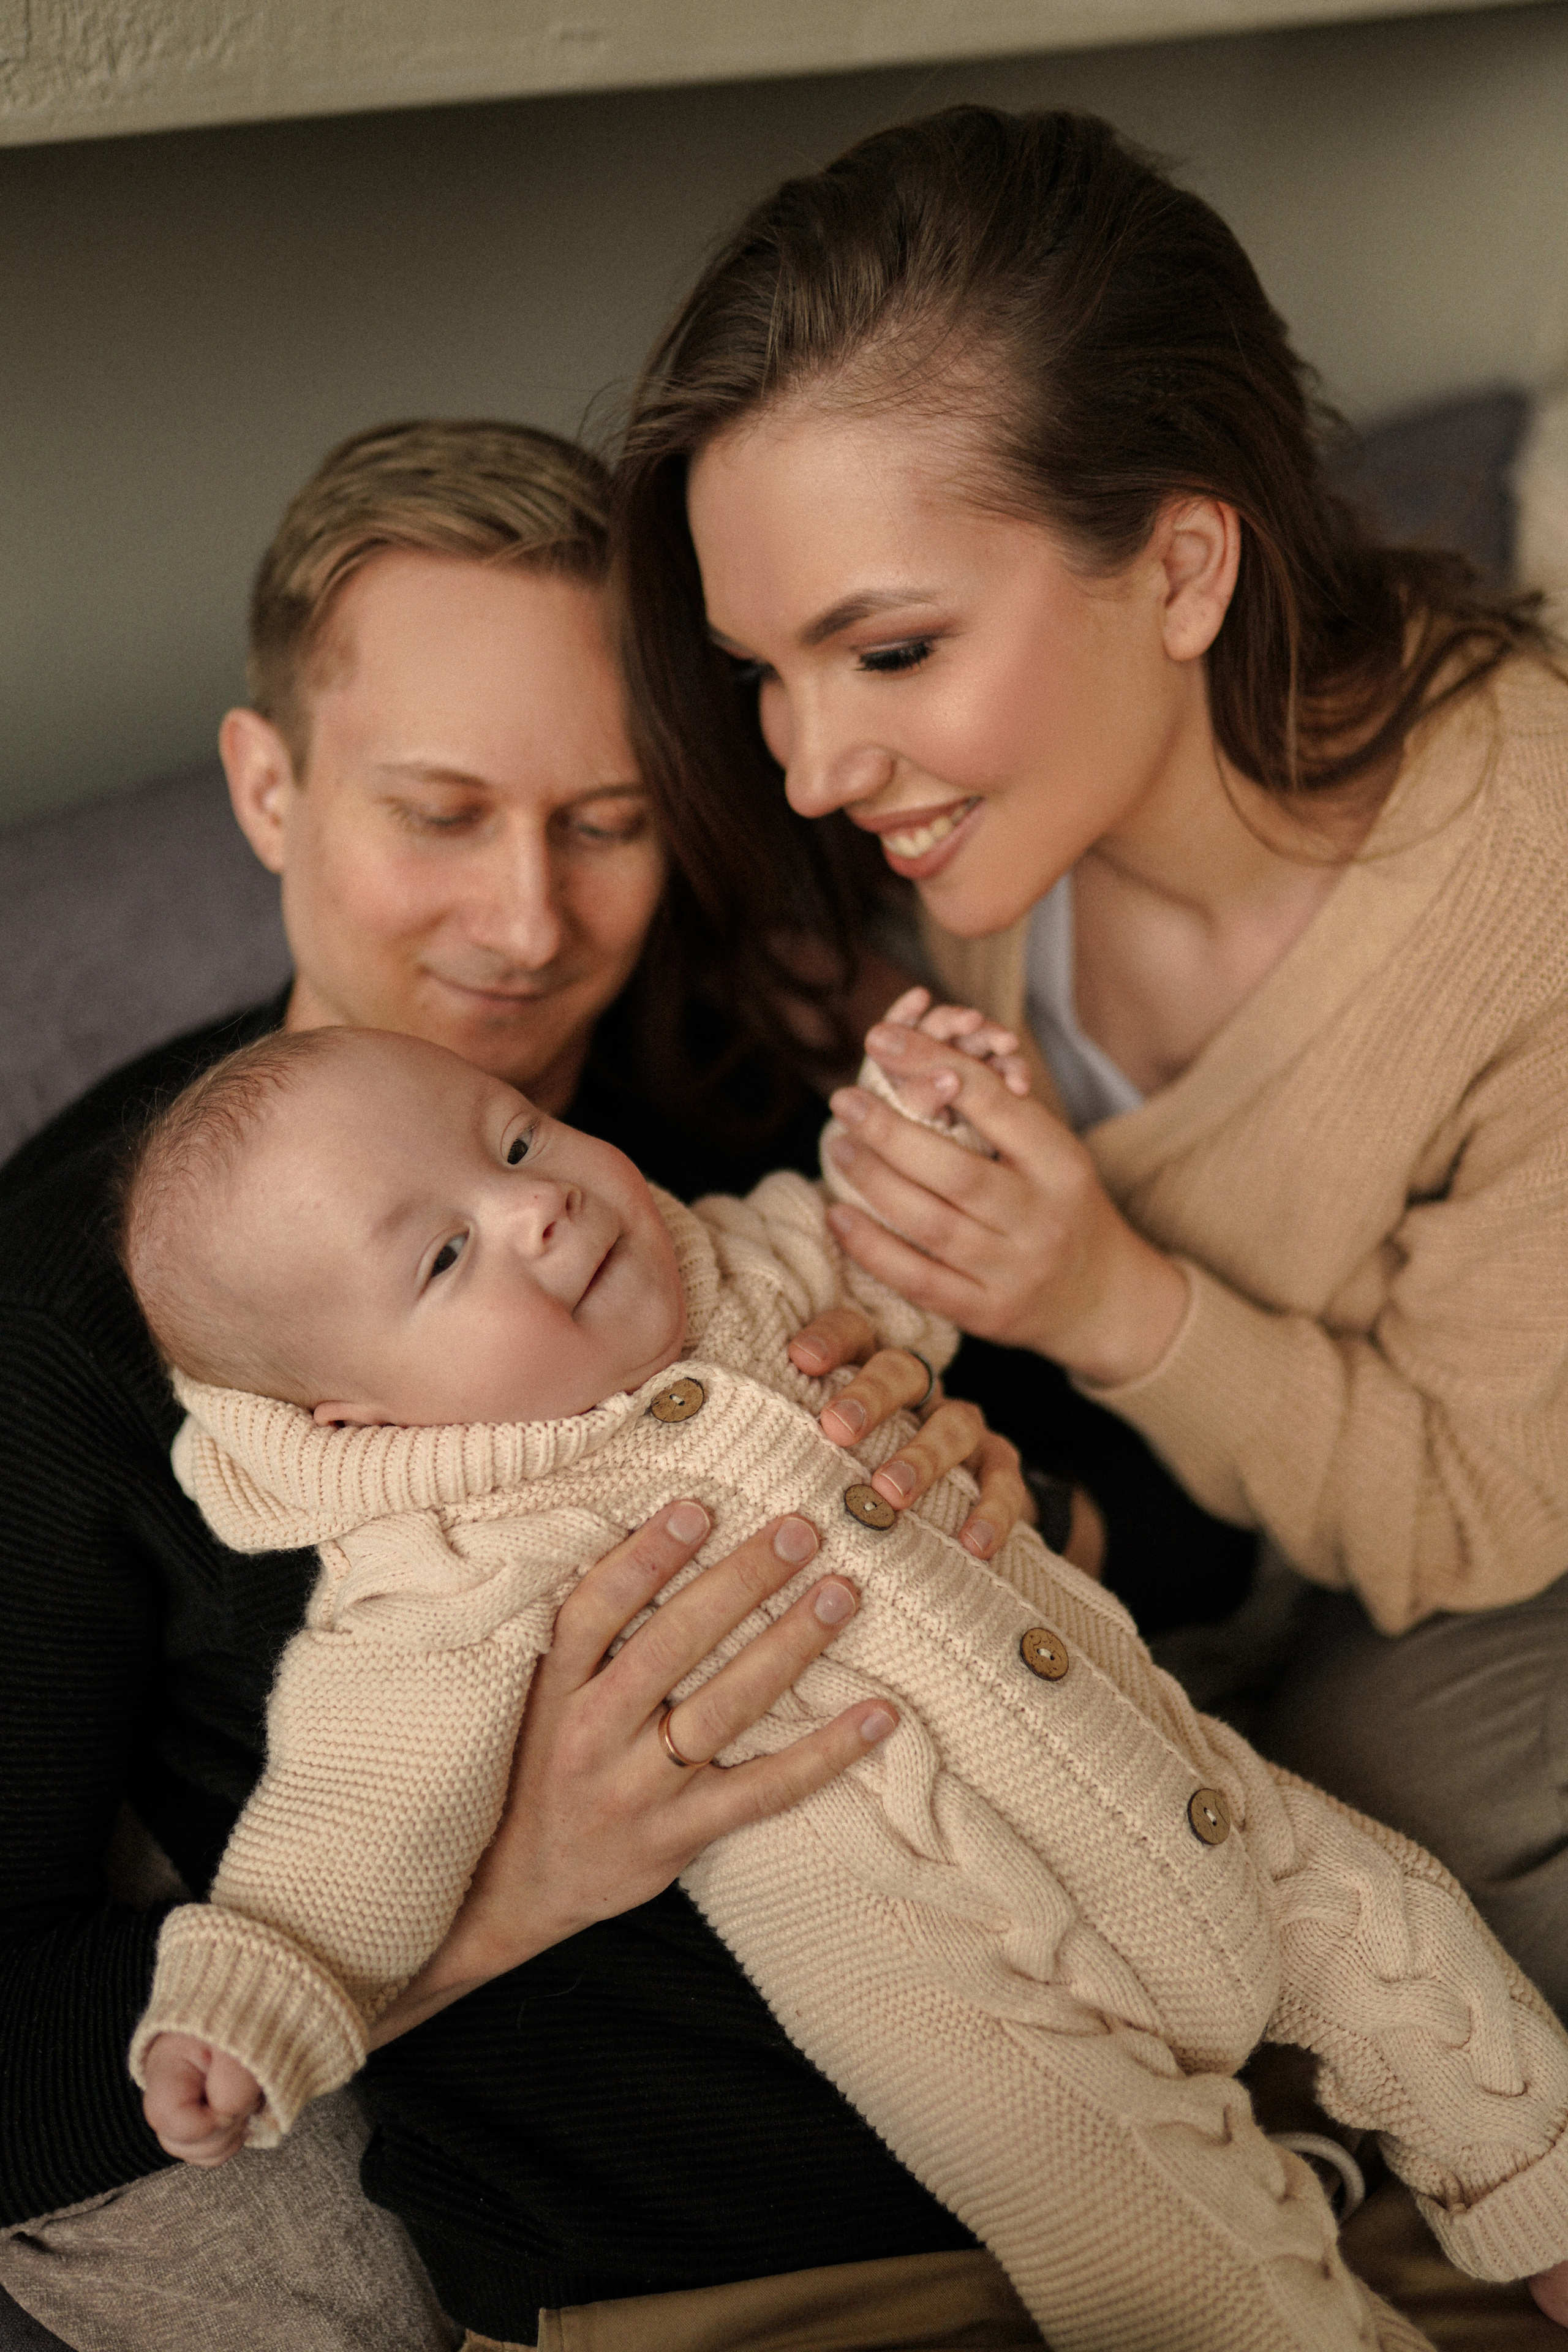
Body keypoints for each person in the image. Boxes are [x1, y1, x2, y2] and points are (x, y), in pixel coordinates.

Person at [0, 420, 1040, 2352]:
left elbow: (1167, 1546)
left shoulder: (714, 1103)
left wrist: (1016, 1504)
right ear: (269, 789)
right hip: (715, 2269)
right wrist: (505, 1889)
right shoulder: (69, 1327)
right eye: (438, 811)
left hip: (1185, 2087)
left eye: (609, 820)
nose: (527, 927)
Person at [108, 1019, 1568, 2350]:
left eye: (513, 1141)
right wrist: (255, 1987)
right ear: (357, 1413)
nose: (532, 1206)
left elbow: (875, 1225)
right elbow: (356, 1802)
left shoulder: (741, 1265)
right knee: (1181, 2260)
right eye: (440, 1259)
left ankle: (1544, 2211)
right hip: (970, 1993)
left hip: (1193, 1793)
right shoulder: (437, 1565)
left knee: (1404, 1933)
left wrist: (925, 1121)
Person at [610, 104, 1568, 2019]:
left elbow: (1472, 1512)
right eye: (760, 673)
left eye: (886, 653)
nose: (808, 765)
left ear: (1189, 568)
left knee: (1401, 1774)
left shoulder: (1522, 899)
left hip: (1494, 1526)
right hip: (1210, 1528)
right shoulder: (982, 842)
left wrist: (1109, 1298)